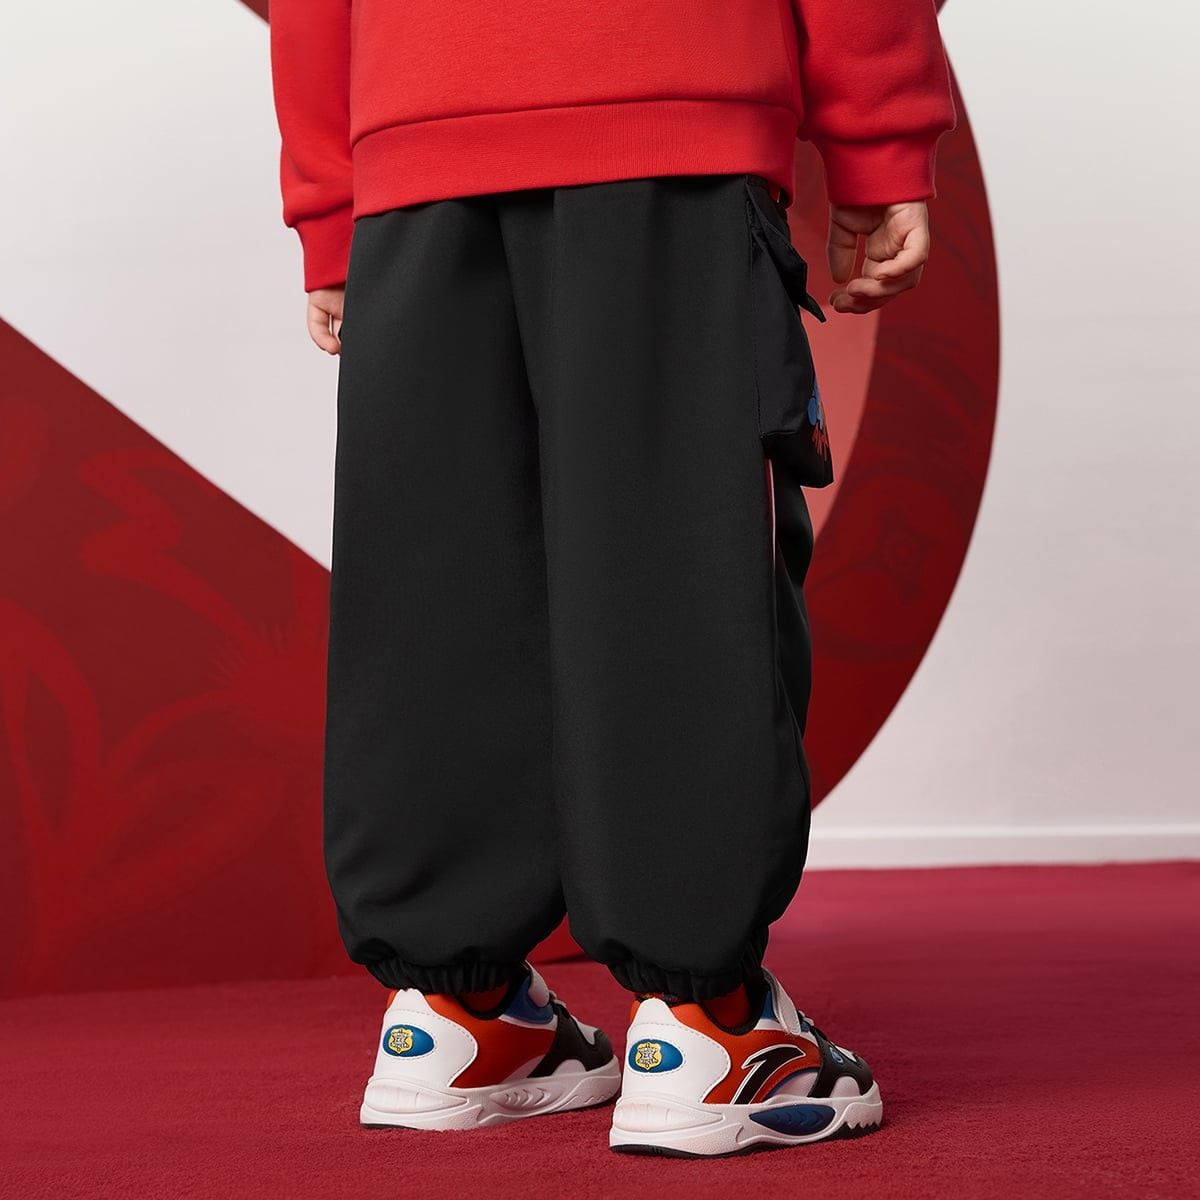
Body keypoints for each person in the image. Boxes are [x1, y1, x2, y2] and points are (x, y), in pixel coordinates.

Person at [270, 0, 954, 1157]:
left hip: (412, 132)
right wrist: (880, 140)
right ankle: (708, 1027)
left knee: (441, 574)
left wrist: (333, 202)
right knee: (671, 557)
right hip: (664, 100)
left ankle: (457, 1014)